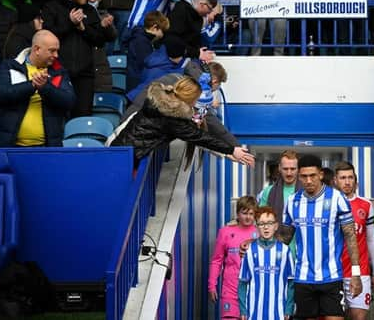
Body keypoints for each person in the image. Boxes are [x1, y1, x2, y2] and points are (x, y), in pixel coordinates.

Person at [280, 154, 362, 320]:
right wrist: (256, 243)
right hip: (302, 278)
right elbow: (284, 239)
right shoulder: (292, 201)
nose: (308, 181)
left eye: (312, 175)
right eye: (304, 176)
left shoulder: (337, 198)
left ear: (321, 175)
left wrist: (356, 273)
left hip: (332, 276)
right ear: (299, 176)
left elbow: (350, 236)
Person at [108, 76, 255, 167]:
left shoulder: (161, 101)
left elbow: (194, 134)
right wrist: (231, 150)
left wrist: (227, 153)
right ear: (190, 99)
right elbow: (200, 137)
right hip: (126, 158)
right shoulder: (172, 119)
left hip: (119, 147)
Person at [0, 30, 76, 147]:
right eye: (52, 51)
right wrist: (31, 86)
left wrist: (45, 87)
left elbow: (69, 101)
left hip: (47, 147)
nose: (56, 55)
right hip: (10, 146)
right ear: (37, 49)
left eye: (57, 51)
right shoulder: (9, 66)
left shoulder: (59, 72)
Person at [42, 0, 107, 117]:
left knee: (82, 118)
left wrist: (83, 29)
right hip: (57, 72)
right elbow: (46, 36)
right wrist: (70, 23)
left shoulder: (90, 11)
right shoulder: (52, 7)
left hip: (85, 75)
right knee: (56, 117)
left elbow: (100, 40)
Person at [333, 161, 374, 320]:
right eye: (342, 178)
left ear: (355, 180)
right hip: (334, 272)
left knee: (358, 317)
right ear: (335, 180)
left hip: (360, 272)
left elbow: (371, 239)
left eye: (350, 177)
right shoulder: (328, 205)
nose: (347, 182)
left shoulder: (366, 205)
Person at [238, 205, 295, 320]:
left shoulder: (285, 250)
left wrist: (288, 308)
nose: (266, 227)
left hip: (278, 312)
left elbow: (291, 283)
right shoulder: (249, 251)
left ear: (276, 226)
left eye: (269, 223)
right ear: (256, 226)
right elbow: (243, 283)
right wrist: (243, 310)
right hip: (254, 312)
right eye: (261, 224)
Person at [208, 195, 259, 319]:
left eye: (251, 214)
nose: (248, 217)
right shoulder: (225, 232)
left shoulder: (260, 233)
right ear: (237, 213)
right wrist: (212, 284)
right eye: (244, 213)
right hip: (230, 291)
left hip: (253, 291)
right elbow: (217, 261)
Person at [126, 11, 169, 91]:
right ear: (154, 27)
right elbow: (147, 62)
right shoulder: (141, 41)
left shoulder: (144, 38)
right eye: (162, 31)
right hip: (137, 84)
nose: (162, 35)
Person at [258, 150, 301, 221]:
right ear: (279, 168)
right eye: (285, 169)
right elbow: (261, 218)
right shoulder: (268, 191)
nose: (289, 173)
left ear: (298, 169)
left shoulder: (307, 191)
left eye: (293, 169)